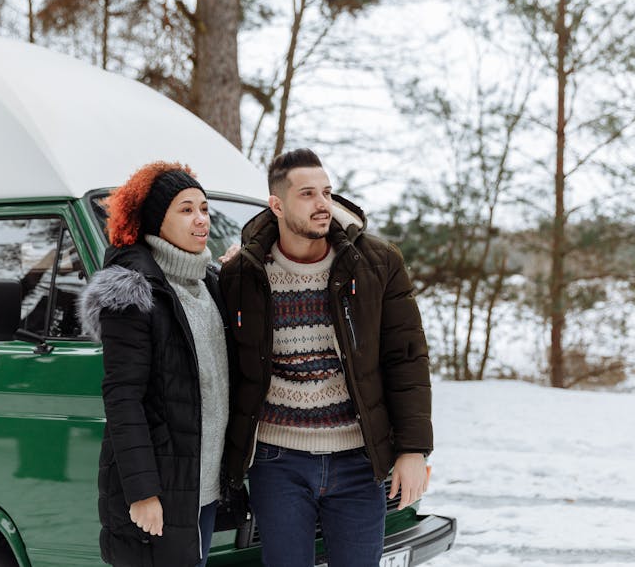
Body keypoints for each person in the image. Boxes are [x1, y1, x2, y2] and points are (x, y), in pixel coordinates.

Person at [220, 148, 433, 567]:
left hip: (358, 459)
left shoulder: (376, 263)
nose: (323, 205)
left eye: (327, 192)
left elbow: (407, 358)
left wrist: (413, 450)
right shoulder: (243, 276)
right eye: (308, 194)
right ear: (277, 205)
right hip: (277, 461)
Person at [80, 162, 238, 567]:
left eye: (204, 208)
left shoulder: (210, 284)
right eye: (185, 210)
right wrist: (142, 492)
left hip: (202, 487)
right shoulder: (133, 289)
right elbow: (122, 397)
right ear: (156, 220)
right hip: (160, 491)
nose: (200, 219)